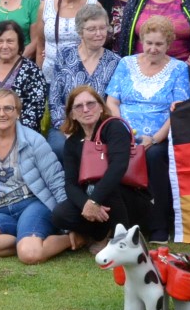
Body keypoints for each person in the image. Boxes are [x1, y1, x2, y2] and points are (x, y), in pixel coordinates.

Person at [107, 16, 190, 239]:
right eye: (149, 43)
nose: (153, 49)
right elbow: (112, 101)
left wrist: (154, 138)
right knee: (115, 154)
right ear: (141, 41)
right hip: (124, 132)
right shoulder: (126, 63)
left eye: (159, 44)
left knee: (154, 157)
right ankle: (120, 224)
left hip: (159, 137)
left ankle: (158, 226)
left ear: (168, 44)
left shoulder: (179, 69)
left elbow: (179, 110)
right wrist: (123, 130)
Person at [0, 88, 73, 263]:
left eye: (8, 108)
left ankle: (70, 241)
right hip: (1, 210)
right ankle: (27, 239)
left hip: (33, 205)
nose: (2, 114)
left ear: (17, 112)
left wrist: (69, 225)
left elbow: (55, 180)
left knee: (29, 255)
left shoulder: (34, 140)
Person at [51, 83, 152, 248]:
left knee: (105, 184)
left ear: (100, 107)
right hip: (94, 199)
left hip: (128, 197)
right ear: (72, 115)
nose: (85, 109)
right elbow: (70, 184)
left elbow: (118, 167)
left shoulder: (114, 127)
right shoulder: (72, 142)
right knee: (60, 215)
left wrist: (94, 201)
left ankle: (124, 242)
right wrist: (86, 204)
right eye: (78, 106)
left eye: (90, 104)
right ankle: (100, 234)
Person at [48, 3, 120, 155]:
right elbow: (55, 99)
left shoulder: (116, 62)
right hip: (68, 124)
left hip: (101, 127)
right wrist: (67, 129)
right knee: (61, 148)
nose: (99, 33)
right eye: (92, 29)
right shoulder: (65, 55)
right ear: (80, 32)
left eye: (102, 28)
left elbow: (115, 103)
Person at [0, 20, 48, 140]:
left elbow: (34, 113)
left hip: (17, 135)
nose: (4, 46)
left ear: (19, 43)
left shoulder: (31, 71)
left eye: (10, 41)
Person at [40, 0, 92, 84]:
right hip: (50, 78)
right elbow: (40, 45)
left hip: (82, 78)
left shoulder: (94, 7)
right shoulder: (45, 6)